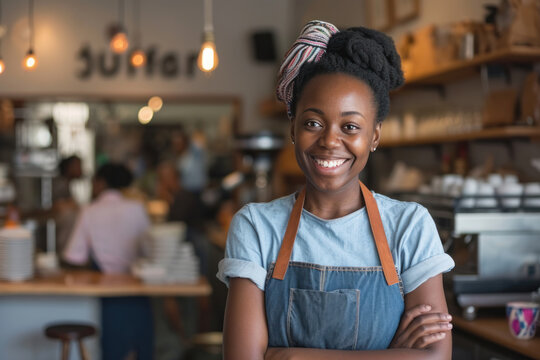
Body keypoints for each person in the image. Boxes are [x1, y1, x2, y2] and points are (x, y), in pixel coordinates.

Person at [217, 21, 455, 359]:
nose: (329, 140)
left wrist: (294, 356)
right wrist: (393, 354)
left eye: (350, 126)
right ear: (293, 129)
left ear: (374, 136)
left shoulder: (408, 226)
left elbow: (435, 357)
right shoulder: (256, 226)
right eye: (313, 123)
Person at [63, 162, 152, 360]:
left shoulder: (89, 210)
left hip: (107, 294)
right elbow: (150, 251)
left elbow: (74, 257)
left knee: (113, 350)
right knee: (141, 349)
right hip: (137, 290)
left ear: (101, 183)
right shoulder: (137, 208)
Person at [53, 155, 83, 253]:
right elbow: (57, 207)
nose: (81, 169)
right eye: (78, 166)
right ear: (69, 167)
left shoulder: (66, 184)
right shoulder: (60, 184)